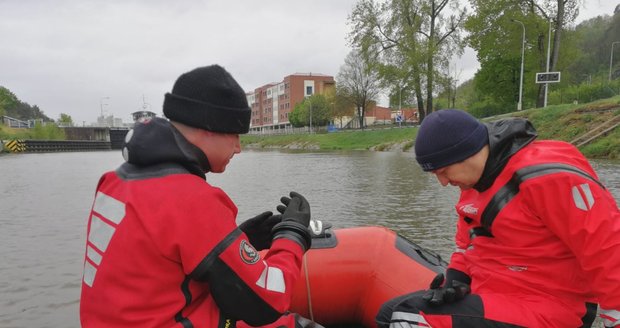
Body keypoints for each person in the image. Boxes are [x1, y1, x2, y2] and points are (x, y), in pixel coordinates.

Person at [80, 65, 317, 328]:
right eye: (235, 134)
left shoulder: (113, 181)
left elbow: (153, 261)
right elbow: (267, 302)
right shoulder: (192, 200)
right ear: (209, 128)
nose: (239, 148)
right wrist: (292, 234)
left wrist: (239, 238)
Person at [376, 109, 620, 327]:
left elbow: (607, 249)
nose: (443, 183)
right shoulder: (472, 184)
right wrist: (456, 280)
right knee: (388, 312)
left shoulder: (547, 178)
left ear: (467, 153)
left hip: (549, 303)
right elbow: (467, 244)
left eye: (443, 171)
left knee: (409, 316)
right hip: (498, 292)